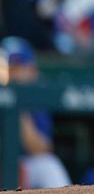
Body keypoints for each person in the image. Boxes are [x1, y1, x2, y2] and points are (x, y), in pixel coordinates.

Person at [0, 37, 71, 189]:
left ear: (32, 69)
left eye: (18, 67)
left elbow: (40, 149)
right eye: (9, 68)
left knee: (48, 166)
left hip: (24, 165)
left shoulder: (34, 97)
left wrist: (17, 105)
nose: (13, 74)